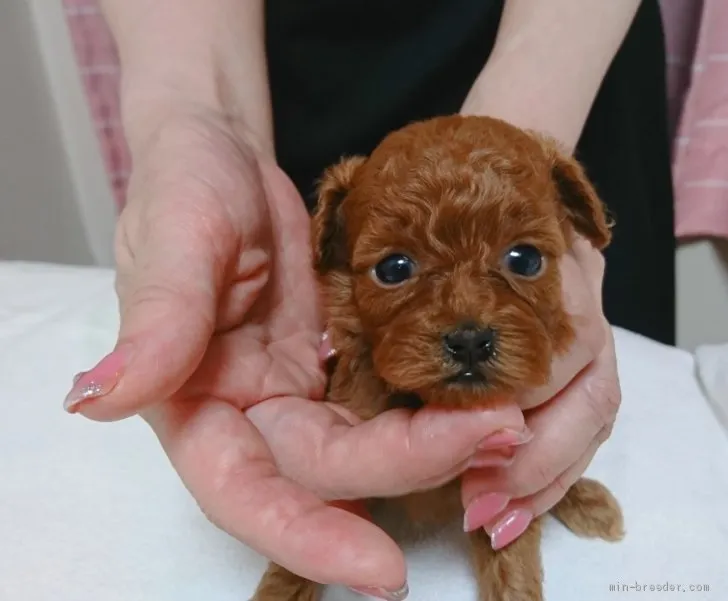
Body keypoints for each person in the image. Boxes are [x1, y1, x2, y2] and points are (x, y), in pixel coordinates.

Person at [63, 0, 672, 598]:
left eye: (523, 261)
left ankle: (551, 488)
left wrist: (523, 146)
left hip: (566, 53)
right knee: (324, 444)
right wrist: (207, 117)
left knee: (559, 414)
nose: (467, 324)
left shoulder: (556, 192)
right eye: (395, 268)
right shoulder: (314, 261)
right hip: (292, 82)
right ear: (326, 254)